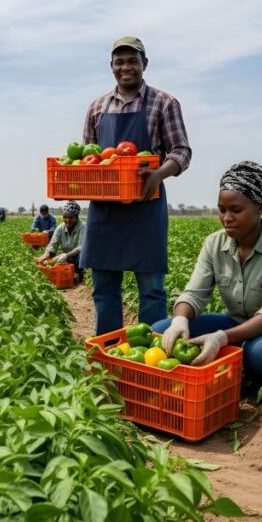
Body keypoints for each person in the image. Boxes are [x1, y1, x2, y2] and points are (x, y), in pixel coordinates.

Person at [153, 161, 262, 381]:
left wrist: (222, 338)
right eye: (222, 210)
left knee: (260, 355)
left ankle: (241, 355)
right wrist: (180, 320)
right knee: (161, 331)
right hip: (236, 323)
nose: (226, 218)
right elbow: (194, 294)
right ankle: (235, 349)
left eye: (236, 210)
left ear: (260, 208)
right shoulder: (214, 244)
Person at [80, 36, 192, 334]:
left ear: (145, 64)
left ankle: (151, 355)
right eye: (120, 62)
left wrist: (158, 173)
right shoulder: (96, 108)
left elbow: (181, 151)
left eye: (133, 61)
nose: (126, 67)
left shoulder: (164, 103)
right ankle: (109, 350)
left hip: (146, 207)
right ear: (111, 66)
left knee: (152, 290)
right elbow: (88, 157)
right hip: (105, 212)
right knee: (104, 290)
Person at [37, 201, 86, 283]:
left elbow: (82, 247)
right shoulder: (60, 228)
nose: (67, 220)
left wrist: (66, 255)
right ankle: (68, 273)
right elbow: (53, 245)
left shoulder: (83, 227)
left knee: (82, 255)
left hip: (78, 259)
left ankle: (78, 274)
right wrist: (46, 255)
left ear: (76, 217)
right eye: (65, 217)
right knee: (53, 259)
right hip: (67, 258)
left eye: (71, 217)